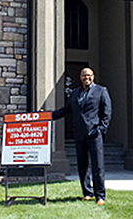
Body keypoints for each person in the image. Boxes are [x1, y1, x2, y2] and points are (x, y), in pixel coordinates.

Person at [52, 67, 112, 205]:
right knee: (82, 165)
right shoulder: (74, 94)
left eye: (89, 75)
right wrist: (48, 116)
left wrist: (101, 129)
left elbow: (106, 112)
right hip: (79, 134)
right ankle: (87, 193)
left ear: (93, 76)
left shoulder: (101, 91)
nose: (87, 78)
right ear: (80, 77)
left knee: (98, 166)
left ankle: (100, 196)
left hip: (94, 133)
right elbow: (65, 110)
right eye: (84, 75)